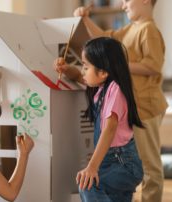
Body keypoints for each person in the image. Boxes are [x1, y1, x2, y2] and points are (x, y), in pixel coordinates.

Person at [71, 1, 168, 201]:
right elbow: (106, 40)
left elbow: (153, 66)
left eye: (126, 0)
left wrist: (117, 64)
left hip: (146, 106)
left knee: (150, 165)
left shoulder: (148, 30)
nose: (123, 5)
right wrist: (86, 19)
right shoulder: (132, 28)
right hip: (134, 108)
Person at [55, 37, 144, 202]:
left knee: (87, 184)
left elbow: (109, 129)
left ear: (103, 72)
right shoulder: (102, 86)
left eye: (85, 66)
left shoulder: (115, 90)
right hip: (111, 162)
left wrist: (91, 167)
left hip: (124, 164)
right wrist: (66, 69)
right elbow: (78, 76)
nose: (82, 70)